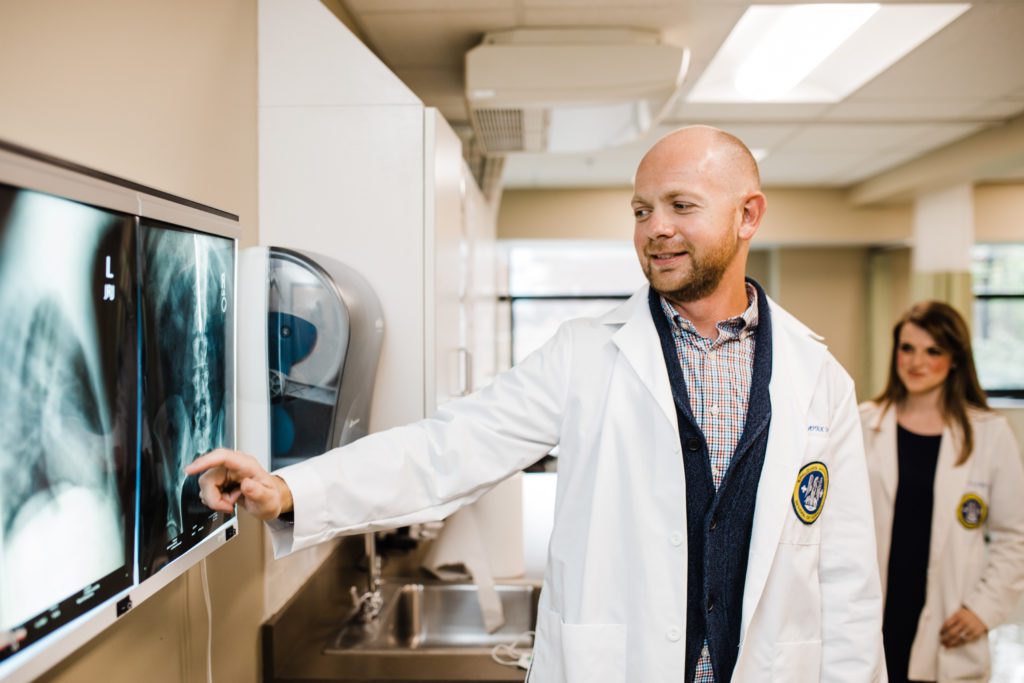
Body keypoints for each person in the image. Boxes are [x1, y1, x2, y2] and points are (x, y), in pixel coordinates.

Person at [187, 126, 885, 682]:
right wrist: (290, 487)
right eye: (641, 210)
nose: (654, 229)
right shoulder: (585, 354)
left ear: (748, 215)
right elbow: (446, 449)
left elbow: (847, 582)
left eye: (681, 205)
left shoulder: (816, 377)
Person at [861, 301, 1024, 683]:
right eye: (907, 348)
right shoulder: (862, 423)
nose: (916, 362)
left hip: (948, 620)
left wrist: (983, 609)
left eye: (933, 351)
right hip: (875, 616)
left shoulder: (988, 434)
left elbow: (1014, 536)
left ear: (955, 359)